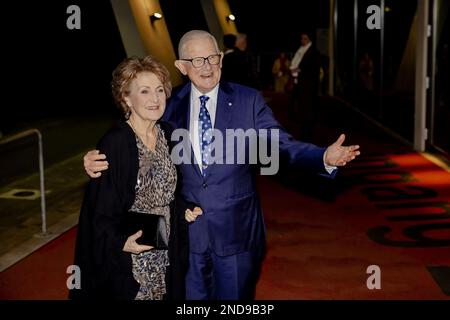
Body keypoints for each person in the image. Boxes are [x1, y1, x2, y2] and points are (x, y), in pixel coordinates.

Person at [83, 30, 360, 300]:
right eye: (197, 60)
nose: (207, 67)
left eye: (212, 58)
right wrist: (96, 158)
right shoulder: (168, 104)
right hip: (185, 236)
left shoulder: (247, 100)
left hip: (236, 233)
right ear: (182, 66)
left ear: (221, 59)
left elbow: (280, 144)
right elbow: (134, 133)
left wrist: (322, 157)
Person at [70, 56, 199, 300]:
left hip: (166, 245)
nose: (155, 98)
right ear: (126, 98)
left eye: (160, 90)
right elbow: (99, 210)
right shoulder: (115, 143)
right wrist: (120, 242)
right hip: (132, 256)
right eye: (145, 91)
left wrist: (184, 208)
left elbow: (171, 190)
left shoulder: (168, 134)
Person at [289, 32, 321, 140]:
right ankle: (303, 128)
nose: (302, 40)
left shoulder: (313, 52)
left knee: (308, 110)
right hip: (301, 84)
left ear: (309, 40)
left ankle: (307, 133)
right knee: (301, 107)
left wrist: (299, 70)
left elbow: (313, 70)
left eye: (305, 38)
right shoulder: (302, 50)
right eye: (302, 38)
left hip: (308, 86)